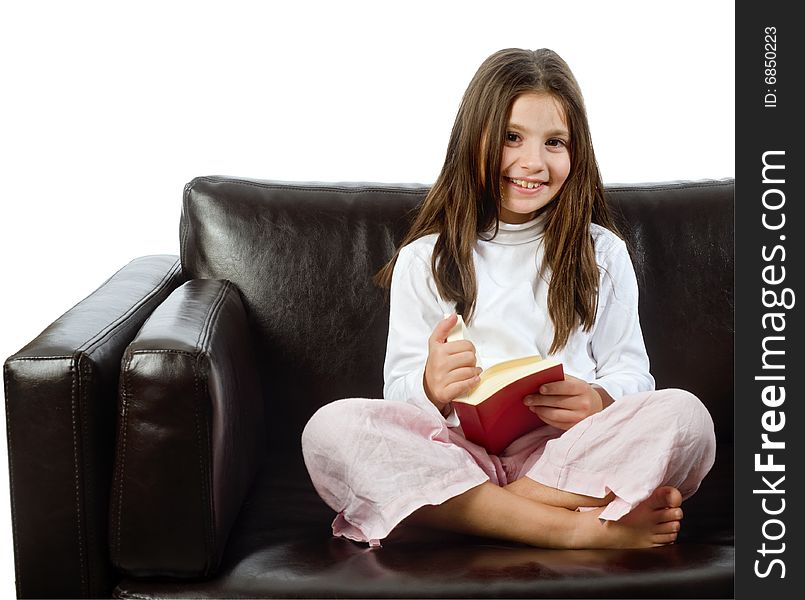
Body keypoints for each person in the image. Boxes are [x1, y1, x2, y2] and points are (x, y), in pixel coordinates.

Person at [301, 48, 716, 550]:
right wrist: (431, 387)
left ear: (576, 152)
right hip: (457, 454)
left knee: (686, 418)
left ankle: (474, 513)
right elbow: (398, 395)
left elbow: (633, 374)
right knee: (329, 431)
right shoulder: (423, 259)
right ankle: (570, 528)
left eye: (555, 142)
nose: (533, 162)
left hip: (564, 453)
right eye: (511, 138)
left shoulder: (601, 252)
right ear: (473, 139)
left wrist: (598, 400)